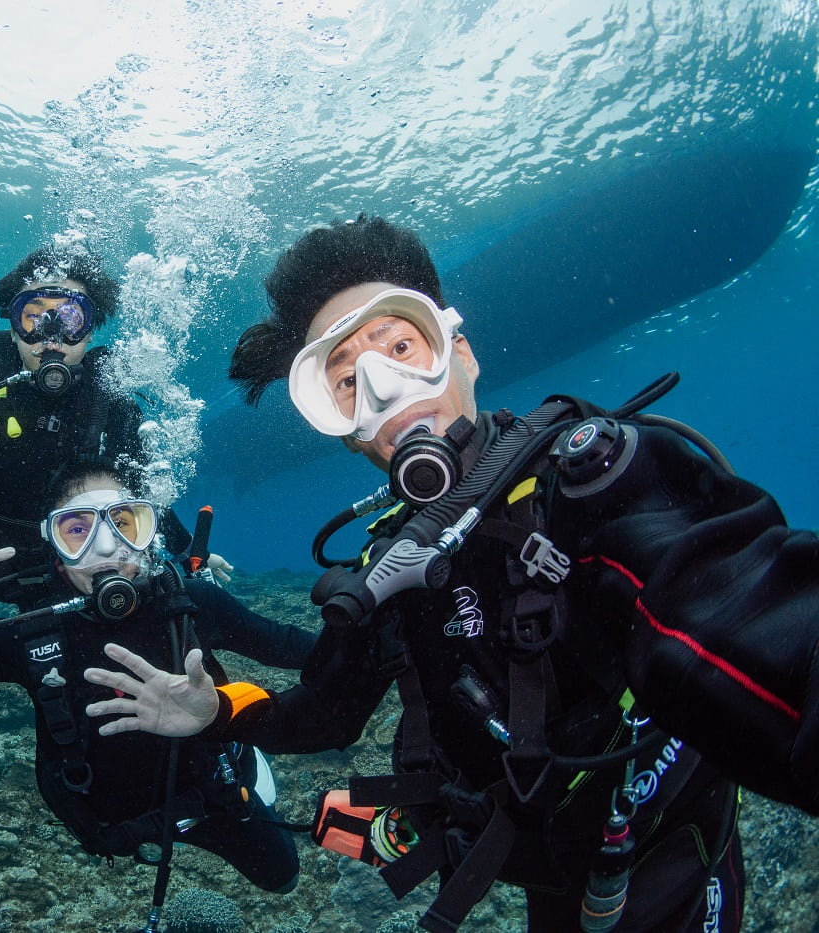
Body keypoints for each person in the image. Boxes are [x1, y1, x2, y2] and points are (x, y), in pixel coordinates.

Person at [84, 215, 819, 932]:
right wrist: (213, 711)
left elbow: (750, 613)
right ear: (341, 433)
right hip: (536, 862)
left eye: (403, 347)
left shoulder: (593, 489)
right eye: (346, 382)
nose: (384, 389)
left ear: (459, 353)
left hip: (659, 860)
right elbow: (324, 712)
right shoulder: (386, 568)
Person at [0, 461, 314, 896]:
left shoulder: (192, 605)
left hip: (213, 796)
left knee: (282, 877)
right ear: (54, 545)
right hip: (110, 820)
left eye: (124, 525)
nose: (106, 549)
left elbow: (302, 650)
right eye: (78, 530)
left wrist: (372, 611)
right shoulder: (34, 632)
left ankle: (249, 760)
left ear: (148, 534)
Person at [0, 243, 227, 606]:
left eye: (70, 319)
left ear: (89, 332)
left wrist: (188, 553)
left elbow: (143, 491)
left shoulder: (111, 404)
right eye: (33, 318)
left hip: (76, 566)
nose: (51, 338)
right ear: (12, 329)